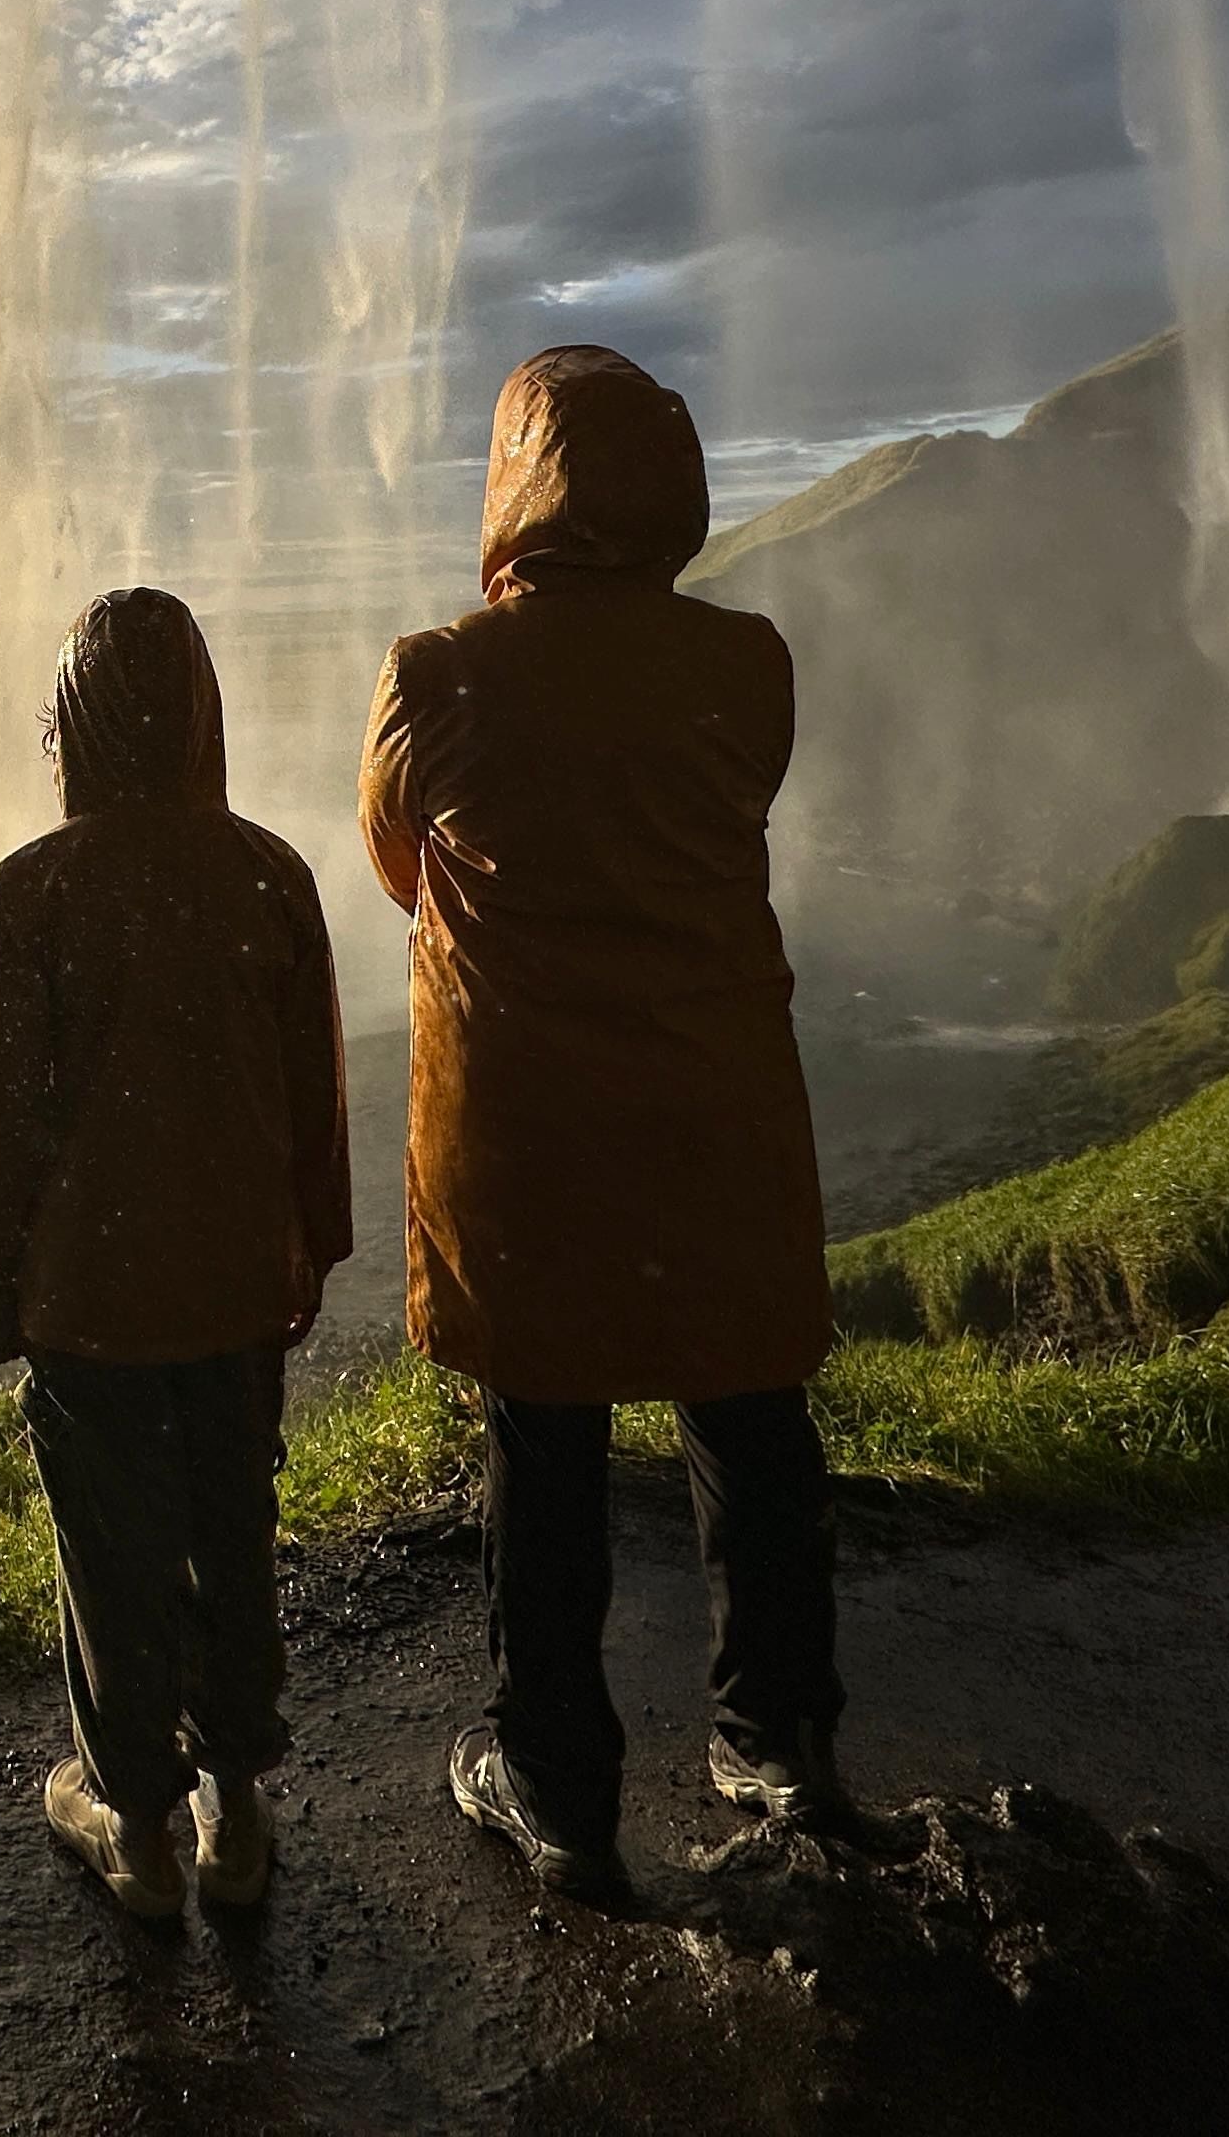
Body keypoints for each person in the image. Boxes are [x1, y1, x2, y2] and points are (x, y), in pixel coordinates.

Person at [358, 346, 843, 1905]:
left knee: (543, 1431)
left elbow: (391, 857)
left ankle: (557, 1784)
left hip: (528, 1121)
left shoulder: (441, 671)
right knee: (749, 1404)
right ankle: (778, 1743)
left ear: (515, 483)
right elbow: (724, 804)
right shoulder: (747, 660)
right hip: (715, 1097)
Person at [0, 586, 352, 1920]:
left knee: (108, 1554)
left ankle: (135, 1829)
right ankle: (236, 1814)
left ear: (72, 725)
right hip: (238, 1286)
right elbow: (314, 1100)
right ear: (201, 719)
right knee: (234, 1529)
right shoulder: (271, 874)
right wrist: (314, 1248)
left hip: (92, 1297)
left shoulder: (33, 889)